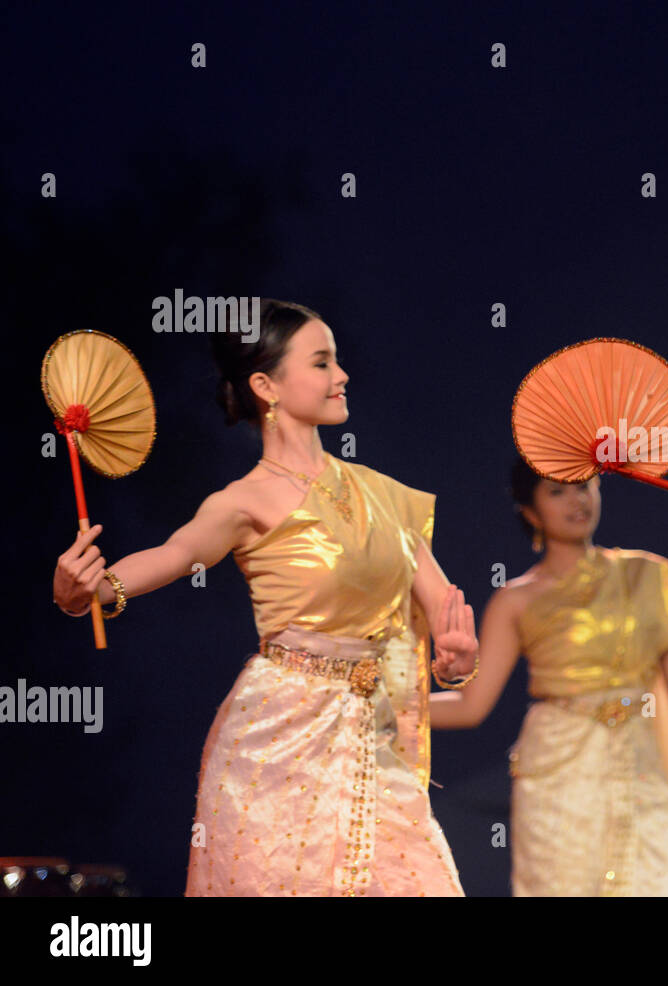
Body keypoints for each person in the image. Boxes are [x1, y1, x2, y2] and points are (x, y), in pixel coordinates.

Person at [52, 299, 477, 896]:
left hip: (375, 742)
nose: (342, 376)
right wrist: (93, 590)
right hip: (275, 743)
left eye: (339, 361)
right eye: (323, 363)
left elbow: (439, 600)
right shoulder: (241, 502)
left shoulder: (386, 497)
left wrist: (457, 658)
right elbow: (174, 556)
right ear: (265, 385)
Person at [426, 458, 668, 895]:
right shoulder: (515, 600)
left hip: (643, 761)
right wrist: (390, 705)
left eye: (584, 486)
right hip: (559, 766)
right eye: (556, 492)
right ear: (530, 512)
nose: (576, 500)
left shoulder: (644, 574)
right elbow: (472, 705)